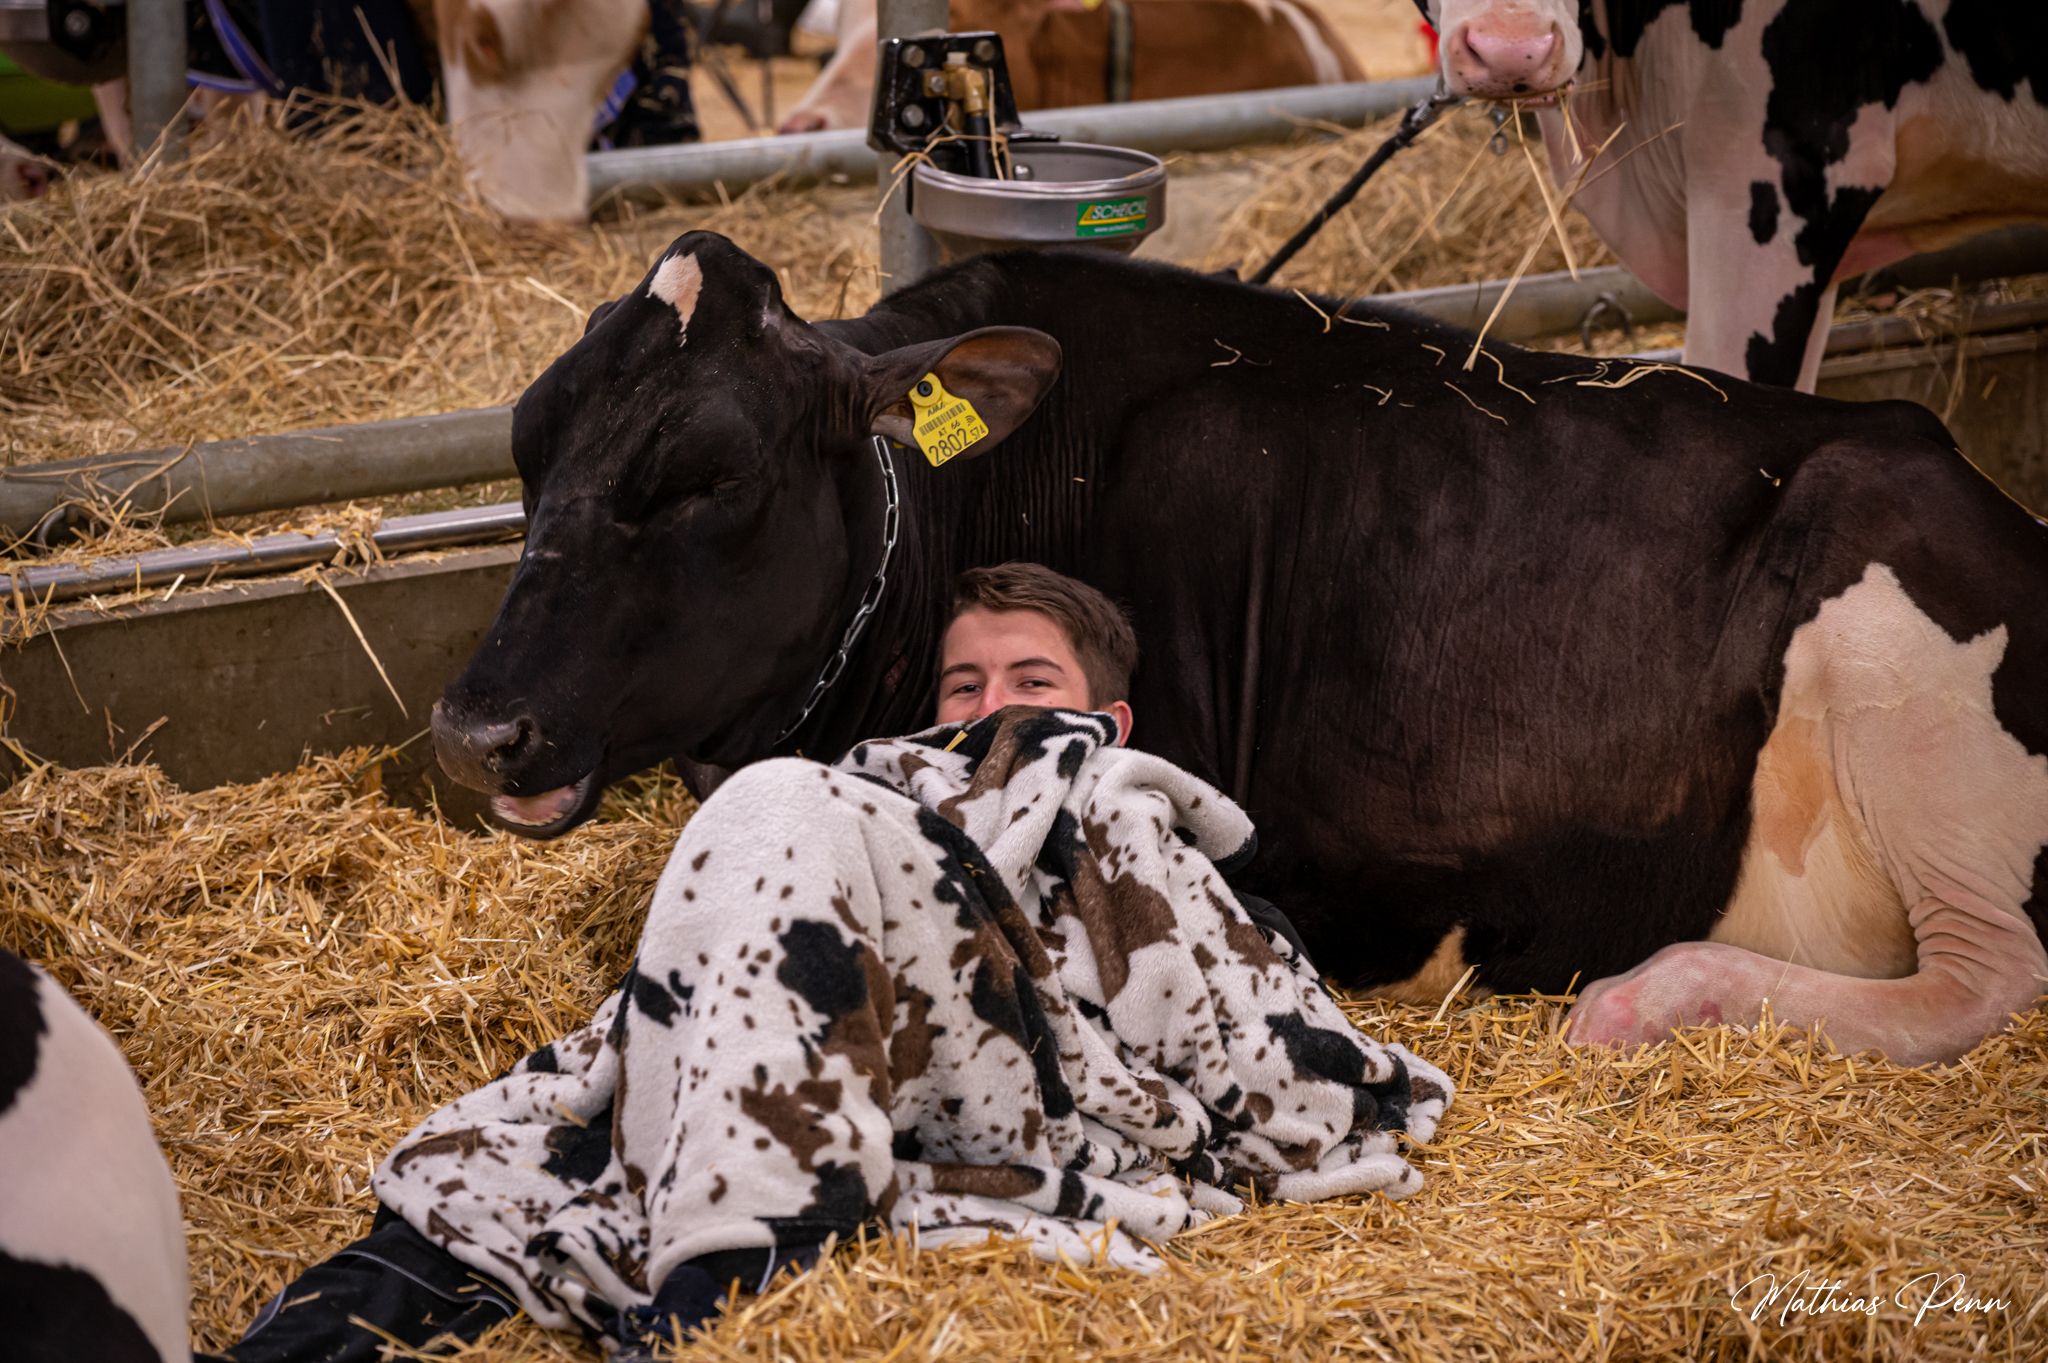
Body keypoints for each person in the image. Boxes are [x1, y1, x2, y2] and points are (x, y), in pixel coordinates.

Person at [220, 565, 1448, 1362]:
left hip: (1024, 1082)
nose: (988, 707)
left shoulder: (1141, 831)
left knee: (774, 795)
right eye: (963, 685)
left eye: (1031, 683)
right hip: (839, 1065)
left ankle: (724, 1297)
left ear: (1108, 721)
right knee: (514, 1178)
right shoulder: (854, 808)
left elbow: (1261, 1051)